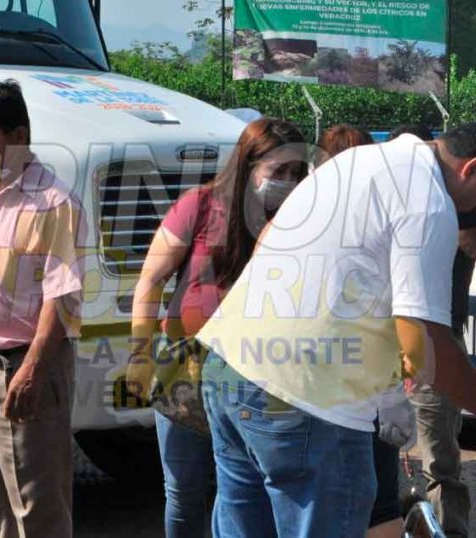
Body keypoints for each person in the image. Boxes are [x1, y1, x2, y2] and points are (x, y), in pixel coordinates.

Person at [195, 123, 476, 536]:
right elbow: (422, 338)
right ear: (471, 169)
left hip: (230, 368)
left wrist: (386, 385)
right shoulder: (429, 203)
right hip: (309, 401)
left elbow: (268, 238)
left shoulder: (353, 162)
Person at [125, 118, 307, 538]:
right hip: (185, 365)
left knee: (240, 488)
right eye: (277, 170)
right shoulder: (200, 205)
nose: (286, 181)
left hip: (253, 370)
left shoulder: (295, 220)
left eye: (295, 172)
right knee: (183, 489)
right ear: (247, 164)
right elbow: (150, 280)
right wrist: (139, 355)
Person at [0, 80, 85, 538]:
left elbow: (62, 295)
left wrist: (32, 370)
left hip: (23, 367)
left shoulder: (54, 203)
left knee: (37, 506)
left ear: (18, 136)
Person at [317, 124, 408, 538]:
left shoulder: (305, 216)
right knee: (377, 502)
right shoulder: (383, 217)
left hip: (312, 385)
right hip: (361, 386)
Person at [391, 124, 476, 538]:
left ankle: (449, 528)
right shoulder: (421, 204)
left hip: (437, 335)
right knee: (381, 449)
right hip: (398, 337)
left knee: (439, 452)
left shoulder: (459, 203)